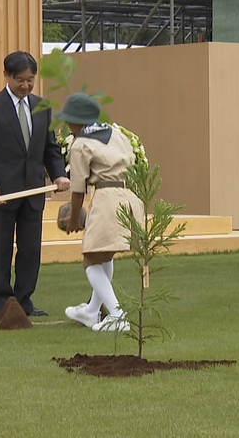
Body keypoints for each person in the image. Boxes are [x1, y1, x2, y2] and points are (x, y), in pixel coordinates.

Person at [0, 51, 70, 318]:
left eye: (30, 80)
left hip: (34, 191)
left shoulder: (42, 106)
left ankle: (24, 300)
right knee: (0, 251)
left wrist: (58, 174)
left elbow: (50, 148)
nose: (26, 86)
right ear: (6, 76)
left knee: (30, 250)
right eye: (20, 80)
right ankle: (5, 304)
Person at [58, 93, 144, 333]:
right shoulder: (117, 135)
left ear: (79, 120)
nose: (67, 125)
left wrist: (74, 218)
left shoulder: (81, 144)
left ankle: (118, 316)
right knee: (104, 255)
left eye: (69, 120)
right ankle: (91, 311)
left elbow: (78, 190)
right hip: (130, 197)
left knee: (90, 258)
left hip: (107, 198)